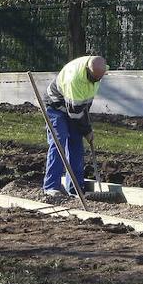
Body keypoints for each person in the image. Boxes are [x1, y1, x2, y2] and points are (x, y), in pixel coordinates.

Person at [42, 55, 109, 198]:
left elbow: (84, 106)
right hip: (56, 106)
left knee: (76, 143)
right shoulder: (75, 78)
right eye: (94, 78)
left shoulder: (97, 74)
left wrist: (87, 127)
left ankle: (75, 188)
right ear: (87, 70)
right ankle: (51, 187)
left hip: (74, 107)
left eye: (99, 78)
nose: (96, 81)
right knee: (59, 141)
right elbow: (75, 113)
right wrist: (87, 131)